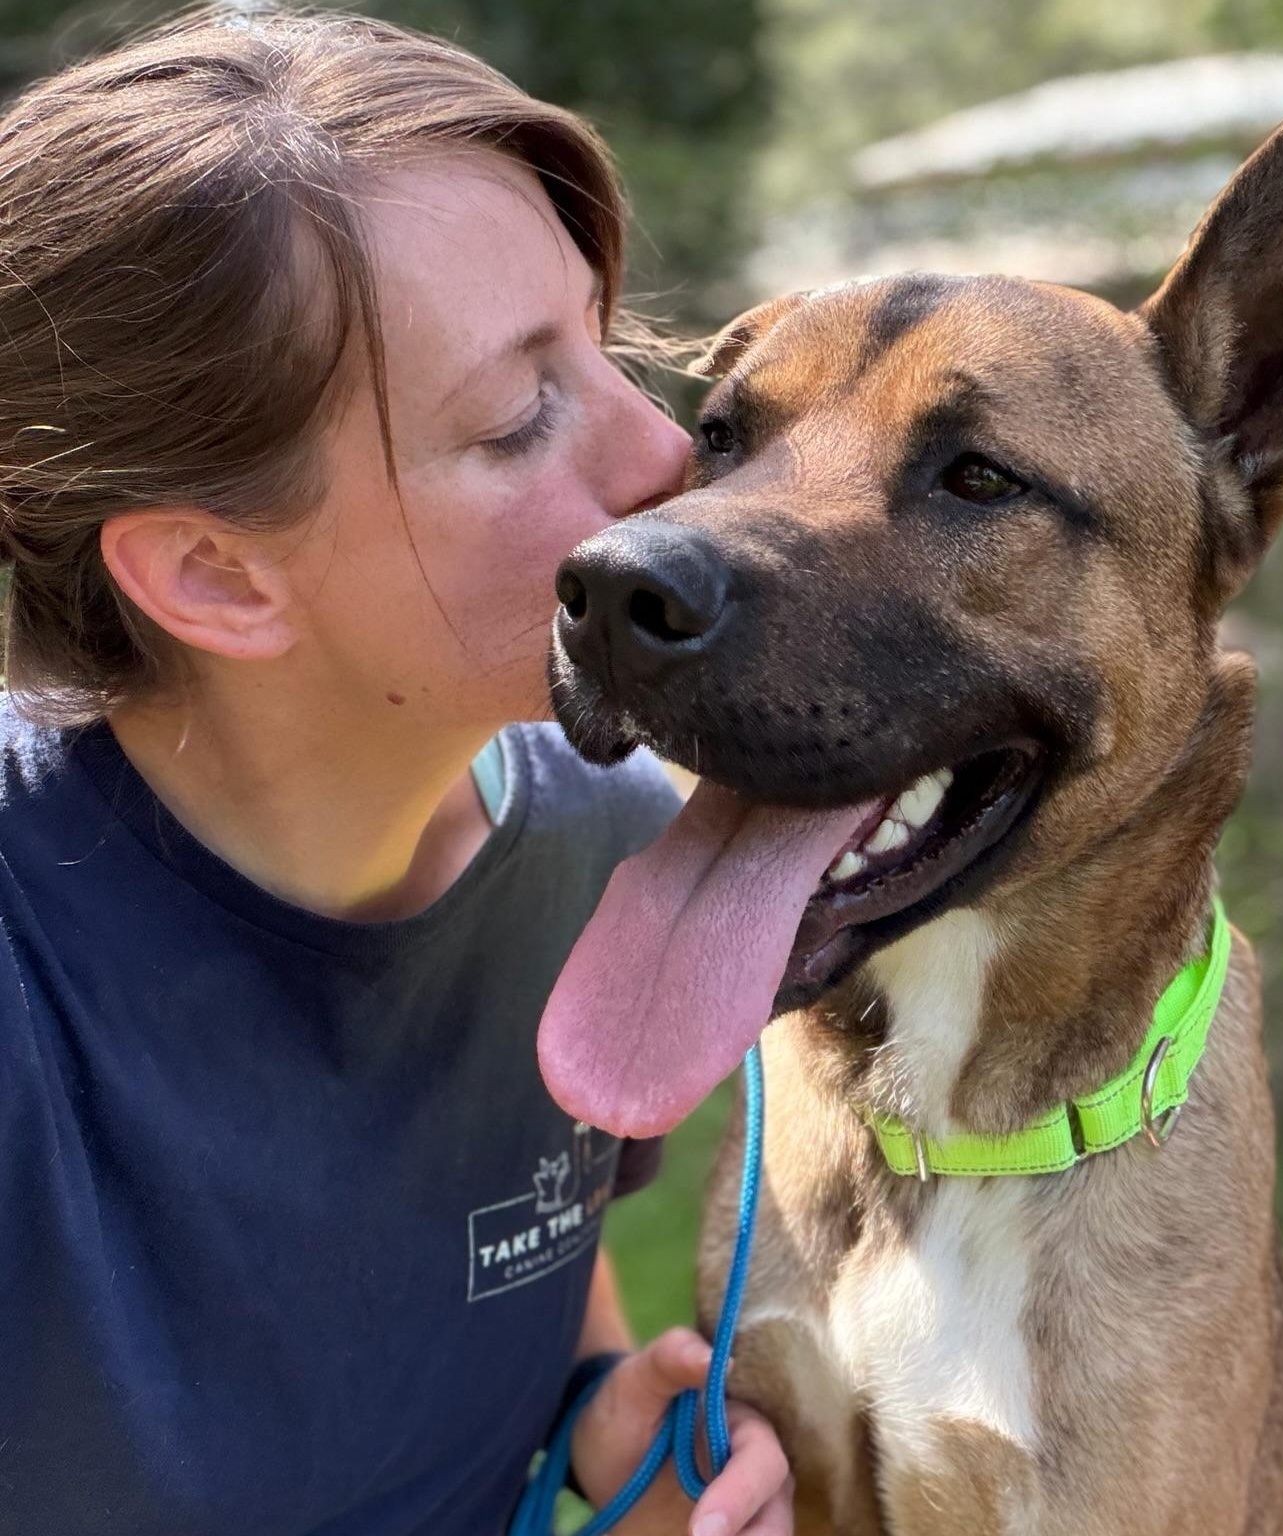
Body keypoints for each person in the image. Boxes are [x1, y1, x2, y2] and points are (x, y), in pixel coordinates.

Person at [0, 9, 792, 1535]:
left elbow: (522, 1311)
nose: (663, 455)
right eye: (514, 422)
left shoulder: (612, 858)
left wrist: (596, 1428)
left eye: (602, 344)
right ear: (215, 576)